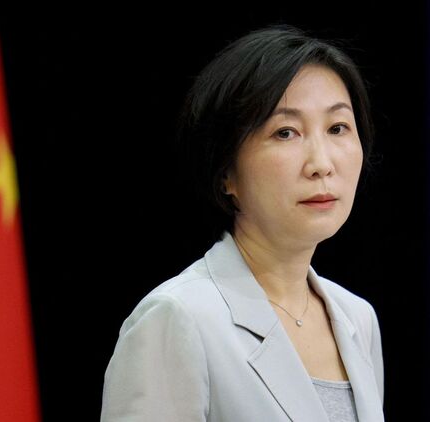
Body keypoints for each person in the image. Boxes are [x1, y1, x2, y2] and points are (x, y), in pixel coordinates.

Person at [101, 25, 384, 422]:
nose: (321, 164)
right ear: (226, 173)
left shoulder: (357, 319)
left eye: (337, 128)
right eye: (285, 133)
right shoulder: (177, 318)